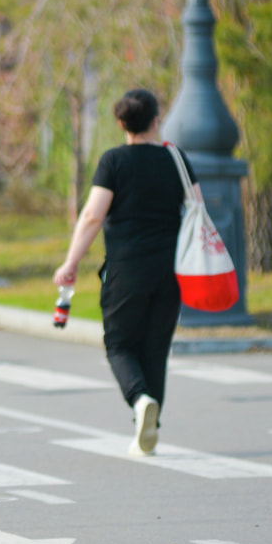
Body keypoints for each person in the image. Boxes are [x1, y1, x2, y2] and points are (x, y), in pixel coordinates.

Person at [53, 89, 196, 457]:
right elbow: (196, 206)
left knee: (118, 344)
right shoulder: (175, 158)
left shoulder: (114, 161)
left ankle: (139, 400)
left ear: (120, 123)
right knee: (155, 349)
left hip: (126, 269)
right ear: (156, 118)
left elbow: (93, 215)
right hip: (170, 269)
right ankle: (147, 428)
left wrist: (71, 262)